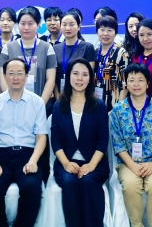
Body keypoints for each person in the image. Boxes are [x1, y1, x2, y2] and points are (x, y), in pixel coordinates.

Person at [0, 58, 48, 227]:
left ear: (26, 76)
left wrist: (33, 161)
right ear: (4, 76)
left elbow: (41, 137)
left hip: (27, 155)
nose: (15, 77)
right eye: (11, 73)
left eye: (20, 73)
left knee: (32, 188)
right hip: (1, 156)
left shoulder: (37, 102)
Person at [110, 63, 152, 227]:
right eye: (131, 80)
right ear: (126, 83)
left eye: (140, 80)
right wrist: (132, 165)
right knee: (130, 185)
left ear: (148, 83)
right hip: (128, 163)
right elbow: (118, 144)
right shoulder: (118, 110)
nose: (136, 84)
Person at [51, 58, 110, 227]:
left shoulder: (99, 105)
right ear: (68, 76)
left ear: (90, 78)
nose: (79, 78)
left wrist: (91, 165)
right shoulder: (58, 106)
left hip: (94, 162)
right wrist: (66, 163)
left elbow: (103, 140)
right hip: (66, 161)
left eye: (85, 75)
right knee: (69, 183)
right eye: (75, 74)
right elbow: (56, 141)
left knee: (88, 182)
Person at [0, 6, 57, 103]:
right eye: (22, 23)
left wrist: (40, 104)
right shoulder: (8, 48)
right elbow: (2, 78)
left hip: (39, 103)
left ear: (38, 24)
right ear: (18, 25)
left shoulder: (47, 48)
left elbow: (50, 80)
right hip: (13, 104)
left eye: (30, 23)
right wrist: (12, 102)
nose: (26, 27)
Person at [54, 9, 97, 96]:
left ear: (79, 26)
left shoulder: (88, 47)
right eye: (64, 24)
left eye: (72, 24)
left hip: (81, 95)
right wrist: (58, 98)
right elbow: (53, 77)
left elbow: (88, 75)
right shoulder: (55, 48)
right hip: (60, 96)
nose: (68, 28)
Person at [94, 15, 130, 111]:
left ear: (115, 33)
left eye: (110, 30)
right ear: (97, 32)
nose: (105, 34)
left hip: (114, 105)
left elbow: (125, 84)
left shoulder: (121, 53)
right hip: (94, 105)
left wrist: (118, 108)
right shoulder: (94, 52)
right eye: (102, 30)